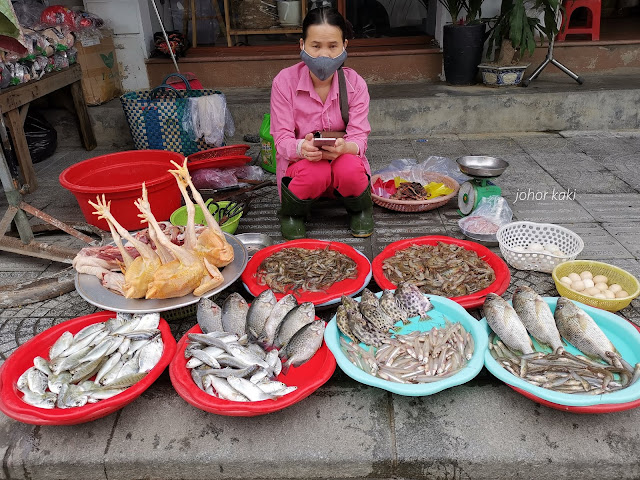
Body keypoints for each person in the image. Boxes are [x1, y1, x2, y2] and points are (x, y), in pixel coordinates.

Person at [270, 7, 373, 240]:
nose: (324, 55)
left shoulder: (355, 84)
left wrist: (345, 148)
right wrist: (301, 149)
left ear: (344, 45)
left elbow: (359, 138)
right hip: (305, 169)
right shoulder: (284, 82)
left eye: (333, 46)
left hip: (341, 166)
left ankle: (360, 210)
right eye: (315, 46)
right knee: (314, 172)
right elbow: (282, 138)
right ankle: (292, 215)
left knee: (349, 167)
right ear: (301, 45)